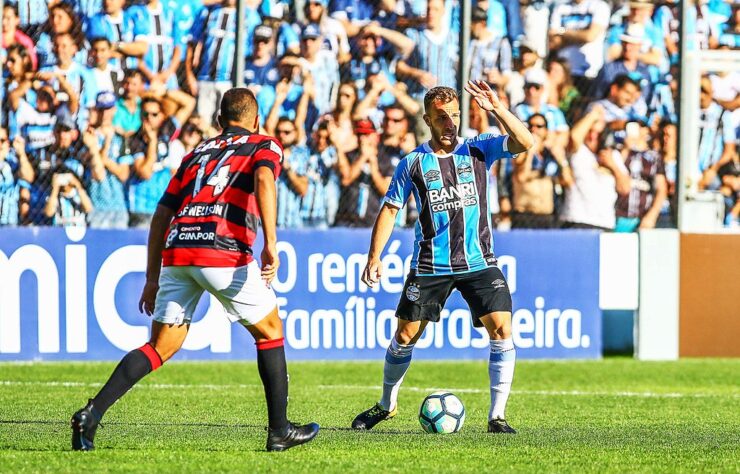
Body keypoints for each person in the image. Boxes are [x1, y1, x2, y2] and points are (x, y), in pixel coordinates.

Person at [70, 88, 319, 452]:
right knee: (270, 331)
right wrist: (272, 243)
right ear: (257, 120)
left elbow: (161, 214)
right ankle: (280, 431)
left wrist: (152, 277)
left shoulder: (195, 153)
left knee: (160, 346)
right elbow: (265, 181)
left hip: (179, 247)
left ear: (219, 122)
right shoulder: (264, 145)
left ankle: (91, 414)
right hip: (222, 250)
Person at [351, 81, 533, 434]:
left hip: (479, 262)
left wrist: (497, 108)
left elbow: (526, 142)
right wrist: (374, 257)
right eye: (441, 118)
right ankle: (386, 405)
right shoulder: (413, 163)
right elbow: (390, 210)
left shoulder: (479, 150)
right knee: (405, 336)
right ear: (427, 120)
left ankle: (497, 416)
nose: (449, 124)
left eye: (454, 116)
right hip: (431, 265)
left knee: (502, 327)